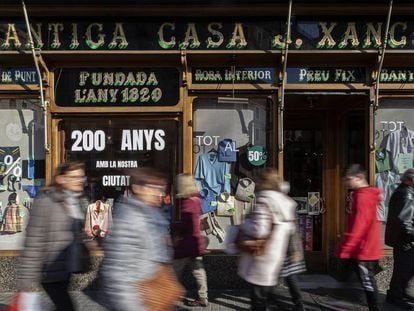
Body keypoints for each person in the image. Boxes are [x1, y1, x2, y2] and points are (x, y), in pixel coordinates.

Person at [18, 162, 87, 311]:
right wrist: (26, 281)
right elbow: (33, 242)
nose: (80, 180)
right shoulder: (46, 201)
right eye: (74, 177)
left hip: (66, 269)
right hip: (50, 269)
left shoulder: (75, 201)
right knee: (66, 307)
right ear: (61, 179)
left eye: (81, 177)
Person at [101, 167, 173, 311]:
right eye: (154, 188)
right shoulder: (129, 217)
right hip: (136, 299)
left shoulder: (154, 214)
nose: (159, 193)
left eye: (161, 188)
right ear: (138, 188)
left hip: (152, 293)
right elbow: (117, 272)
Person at [237, 168, 297, 311]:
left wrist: (243, 225)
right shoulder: (284, 202)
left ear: (264, 182)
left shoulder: (264, 200)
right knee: (266, 295)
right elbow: (290, 229)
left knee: (258, 300)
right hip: (275, 254)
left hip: (260, 257)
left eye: (258, 180)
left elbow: (259, 229)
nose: (255, 183)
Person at [337, 164, 383, 311]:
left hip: (364, 249)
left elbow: (359, 225)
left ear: (359, 178)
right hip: (361, 247)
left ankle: (374, 308)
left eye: (349, 179)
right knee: (352, 279)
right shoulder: (361, 195)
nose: (346, 183)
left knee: (367, 281)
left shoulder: (363, 197)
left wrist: (346, 248)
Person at [171, 173, 209, 307]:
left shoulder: (188, 202)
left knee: (174, 270)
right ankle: (203, 297)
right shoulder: (197, 199)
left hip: (187, 243)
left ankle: (171, 296)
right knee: (198, 271)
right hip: (196, 242)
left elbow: (186, 224)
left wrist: (172, 225)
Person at [385, 167, 414, 310]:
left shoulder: (405, 192)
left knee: (404, 268)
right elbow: (404, 221)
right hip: (404, 241)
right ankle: (395, 296)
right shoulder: (406, 194)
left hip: (402, 240)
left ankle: (398, 293)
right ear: (412, 180)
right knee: (404, 269)